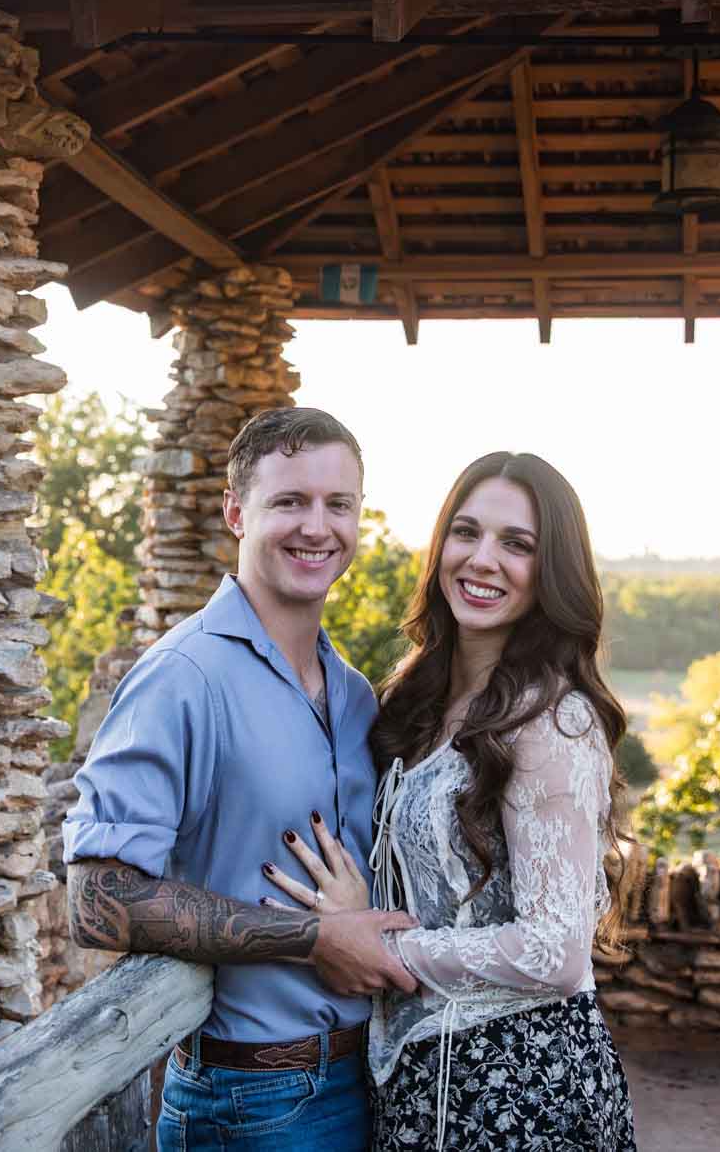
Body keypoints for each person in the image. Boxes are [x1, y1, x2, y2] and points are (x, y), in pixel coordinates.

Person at [63, 406, 419, 1152]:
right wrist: (313, 937)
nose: (316, 526)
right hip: (249, 1105)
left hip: (372, 1080)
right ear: (236, 512)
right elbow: (97, 901)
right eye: (289, 501)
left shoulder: (354, 693)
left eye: (338, 504)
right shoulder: (182, 677)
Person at [265, 450, 639, 1150]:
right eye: (466, 533)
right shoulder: (420, 699)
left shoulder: (554, 721)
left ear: (551, 570)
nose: (483, 559)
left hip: (523, 1093)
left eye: (517, 544)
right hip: (419, 1083)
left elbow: (555, 951)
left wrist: (381, 945)